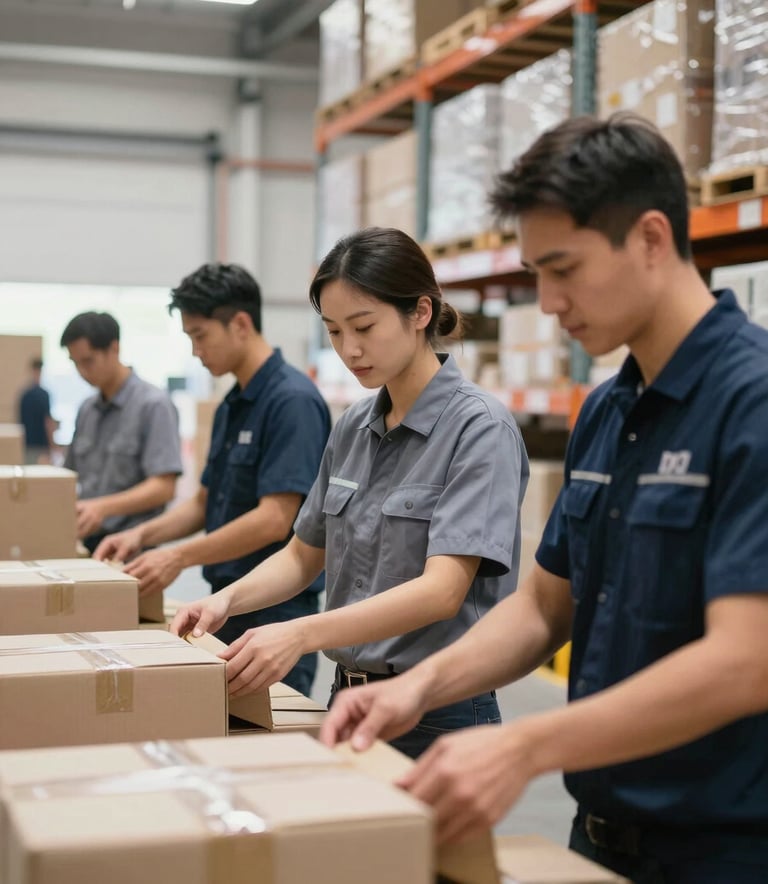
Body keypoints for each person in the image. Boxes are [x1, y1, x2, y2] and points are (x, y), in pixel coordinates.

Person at [318, 113, 768, 883]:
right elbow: (541, 608)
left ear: (652, 239)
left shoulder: (751, 403)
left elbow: (747, 659)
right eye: (536, 273)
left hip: (725, 850)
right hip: (600, 830)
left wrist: (521, 745)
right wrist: (416, 689)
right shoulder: (608, 412)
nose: (549, 301)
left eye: (564, 268)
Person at [170, 228, 529, 758]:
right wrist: (225, 600)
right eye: (334, 331)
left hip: (439, 711)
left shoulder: (479, 430)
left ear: (421, 313)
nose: (349, 350)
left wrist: (300, 634)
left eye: (364, 326)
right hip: (348, 696)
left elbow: (442, 591)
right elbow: (302, 554)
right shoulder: (354, 425)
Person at [95, 263, 331, 696]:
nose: (195, 351)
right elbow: (203, 503)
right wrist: (141, 535)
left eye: (199, 335)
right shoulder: (232, 403)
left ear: (240, 324)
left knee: (264, 744)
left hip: (273, 612)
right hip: (226, 604)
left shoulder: (291, 402)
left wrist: (178, 557)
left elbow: (274, 520)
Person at [61, 312, 182, 554]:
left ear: (113, 349)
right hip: (88, 542)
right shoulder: (87, 410)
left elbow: (163, 487)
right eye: (75, 363)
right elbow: (69, 475)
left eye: (88, 361)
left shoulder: (153, 405)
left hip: (133, 547)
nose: (82, 372)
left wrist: (102, 508)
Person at [17, 357, 58, 464]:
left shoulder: (24, 395)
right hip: (41, 447)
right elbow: (48, 422)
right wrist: (53, 446)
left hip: (27, 446)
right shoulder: (43, 395)